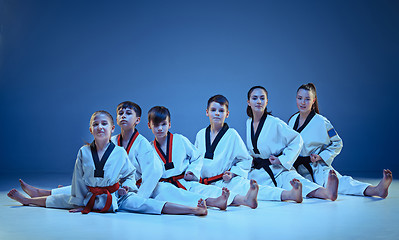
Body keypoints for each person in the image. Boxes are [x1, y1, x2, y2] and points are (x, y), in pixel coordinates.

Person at [8, 110, 207, 216]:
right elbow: (78, 178)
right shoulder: (84, 151)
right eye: (96, 124)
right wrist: (78, 201)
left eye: (104, 124)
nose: (100, 127)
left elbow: (131, 174)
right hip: (89, 194)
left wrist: (127, 188)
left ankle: (194, 210)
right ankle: (31, 199)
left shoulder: (120, 151)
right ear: (90, 129)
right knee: (63, 198)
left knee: (147, 205)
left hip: (116, 195)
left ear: (112, 128)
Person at [288, 83, 392, 198]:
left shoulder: (322, 122)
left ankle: (376, 190)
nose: (303, 102)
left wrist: (321, 156)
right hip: (297, 168)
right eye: (300, 98)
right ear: (296, 98)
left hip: (315, 166)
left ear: (313, 100)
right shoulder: (292, 120)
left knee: (341, 182)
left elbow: (337, 143)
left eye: (307, 99)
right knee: (294, 183)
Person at [195, 94, 302, 205]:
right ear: (207, 112)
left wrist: (232, 174)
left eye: (221, 111)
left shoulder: (232, 134)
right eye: (213, 110)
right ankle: (241, 201)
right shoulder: (200, 134)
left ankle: (290, 194)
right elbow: (196, 160)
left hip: (225, 180)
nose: (217, 113)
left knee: (253, 189)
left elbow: (245, 159)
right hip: (204, 183)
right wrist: (193, 173)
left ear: (227, 114)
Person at [246, 86, 338, 201]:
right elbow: (253, 149)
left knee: (298, 182)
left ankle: (327, 192)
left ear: (267, 101)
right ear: (249, 102)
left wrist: (283, 159)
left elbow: (296, 139)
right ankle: (290, 195)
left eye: (262, 98)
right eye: (255, 98)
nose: (259, 101)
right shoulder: (249, 122)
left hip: (276, 167)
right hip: (259, 170)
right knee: (256, 188)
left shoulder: (275, 122)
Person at [147, 106, 239, 210]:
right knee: (166, 191)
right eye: (156, 125)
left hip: (183, 180)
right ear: (149, 125)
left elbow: (197, 156)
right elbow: (142, 172)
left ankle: (243, 199)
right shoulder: (148, 149)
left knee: (206, 189)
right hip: (165, 186)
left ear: (169, 124)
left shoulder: (180, 140)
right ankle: (213, 202)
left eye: (163, 124)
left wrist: (192, 171)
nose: (160, 128)